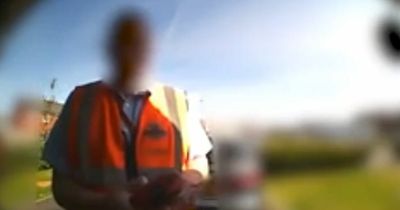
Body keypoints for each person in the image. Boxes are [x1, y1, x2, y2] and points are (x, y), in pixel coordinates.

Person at [43, 9, 212, 210]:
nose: (133, 51)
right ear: (111, 49)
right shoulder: (81, 101)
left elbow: (200, 163)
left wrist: (187, 181)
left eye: (140, 43)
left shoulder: (180, 101)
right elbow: (61, 187)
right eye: (124, 42)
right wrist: (103, 203)